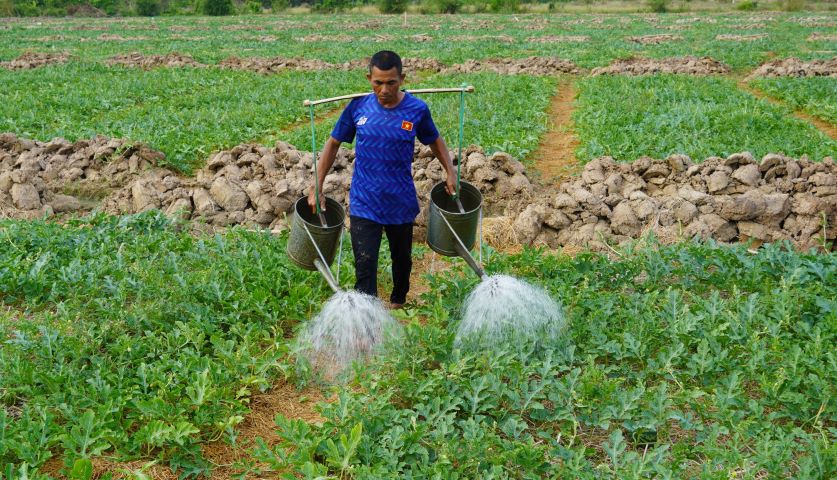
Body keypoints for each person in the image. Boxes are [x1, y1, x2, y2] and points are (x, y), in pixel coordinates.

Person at [308, 50, 457, 308]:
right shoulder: (358, 107)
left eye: (391, 82)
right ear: (369, 78)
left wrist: (450, 170)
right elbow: (333, 144)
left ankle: (399, 302)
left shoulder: (416, 110)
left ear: (402, 78)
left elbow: (434, 140)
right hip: (365, 201)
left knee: (402, 261)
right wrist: (316, 186)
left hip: (400, 201)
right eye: (378, 83)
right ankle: (368, 317)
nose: (384, 89)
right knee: (365, 263)